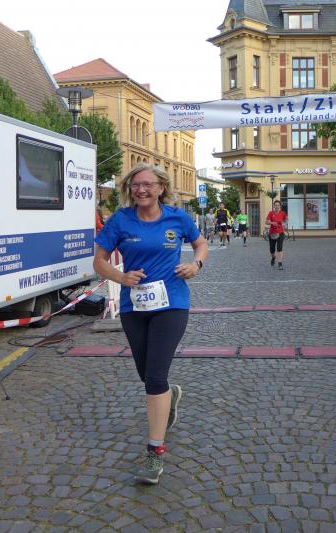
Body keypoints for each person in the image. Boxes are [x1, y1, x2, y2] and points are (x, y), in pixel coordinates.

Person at [92, 163, 208, 485]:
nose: (141, 190)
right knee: (147, 374)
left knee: (154, 377)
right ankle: (170, 395)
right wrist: (121, 277)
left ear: (161, 188)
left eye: (148, 184)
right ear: (129, 189)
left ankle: (154, 452)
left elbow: (200, 244)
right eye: (136, 185)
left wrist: (196, 264)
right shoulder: (120, 220)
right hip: (135, 306)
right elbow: (99, 261)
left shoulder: (177, 218)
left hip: (172, 303)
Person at [265, 200, 287, 270]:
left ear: (280, 206)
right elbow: (266, 222)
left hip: (280, 233)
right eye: (275, 205)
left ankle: (280, 263)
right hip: (272, 233)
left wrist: (285, 224)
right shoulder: (271, 213)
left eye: (278, 205)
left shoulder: (283, 213)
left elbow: (286, 220)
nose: (277, 206)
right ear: (274, 206)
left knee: (279, 248)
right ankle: (273, 257)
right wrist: (272, 223)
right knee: (272, 249)